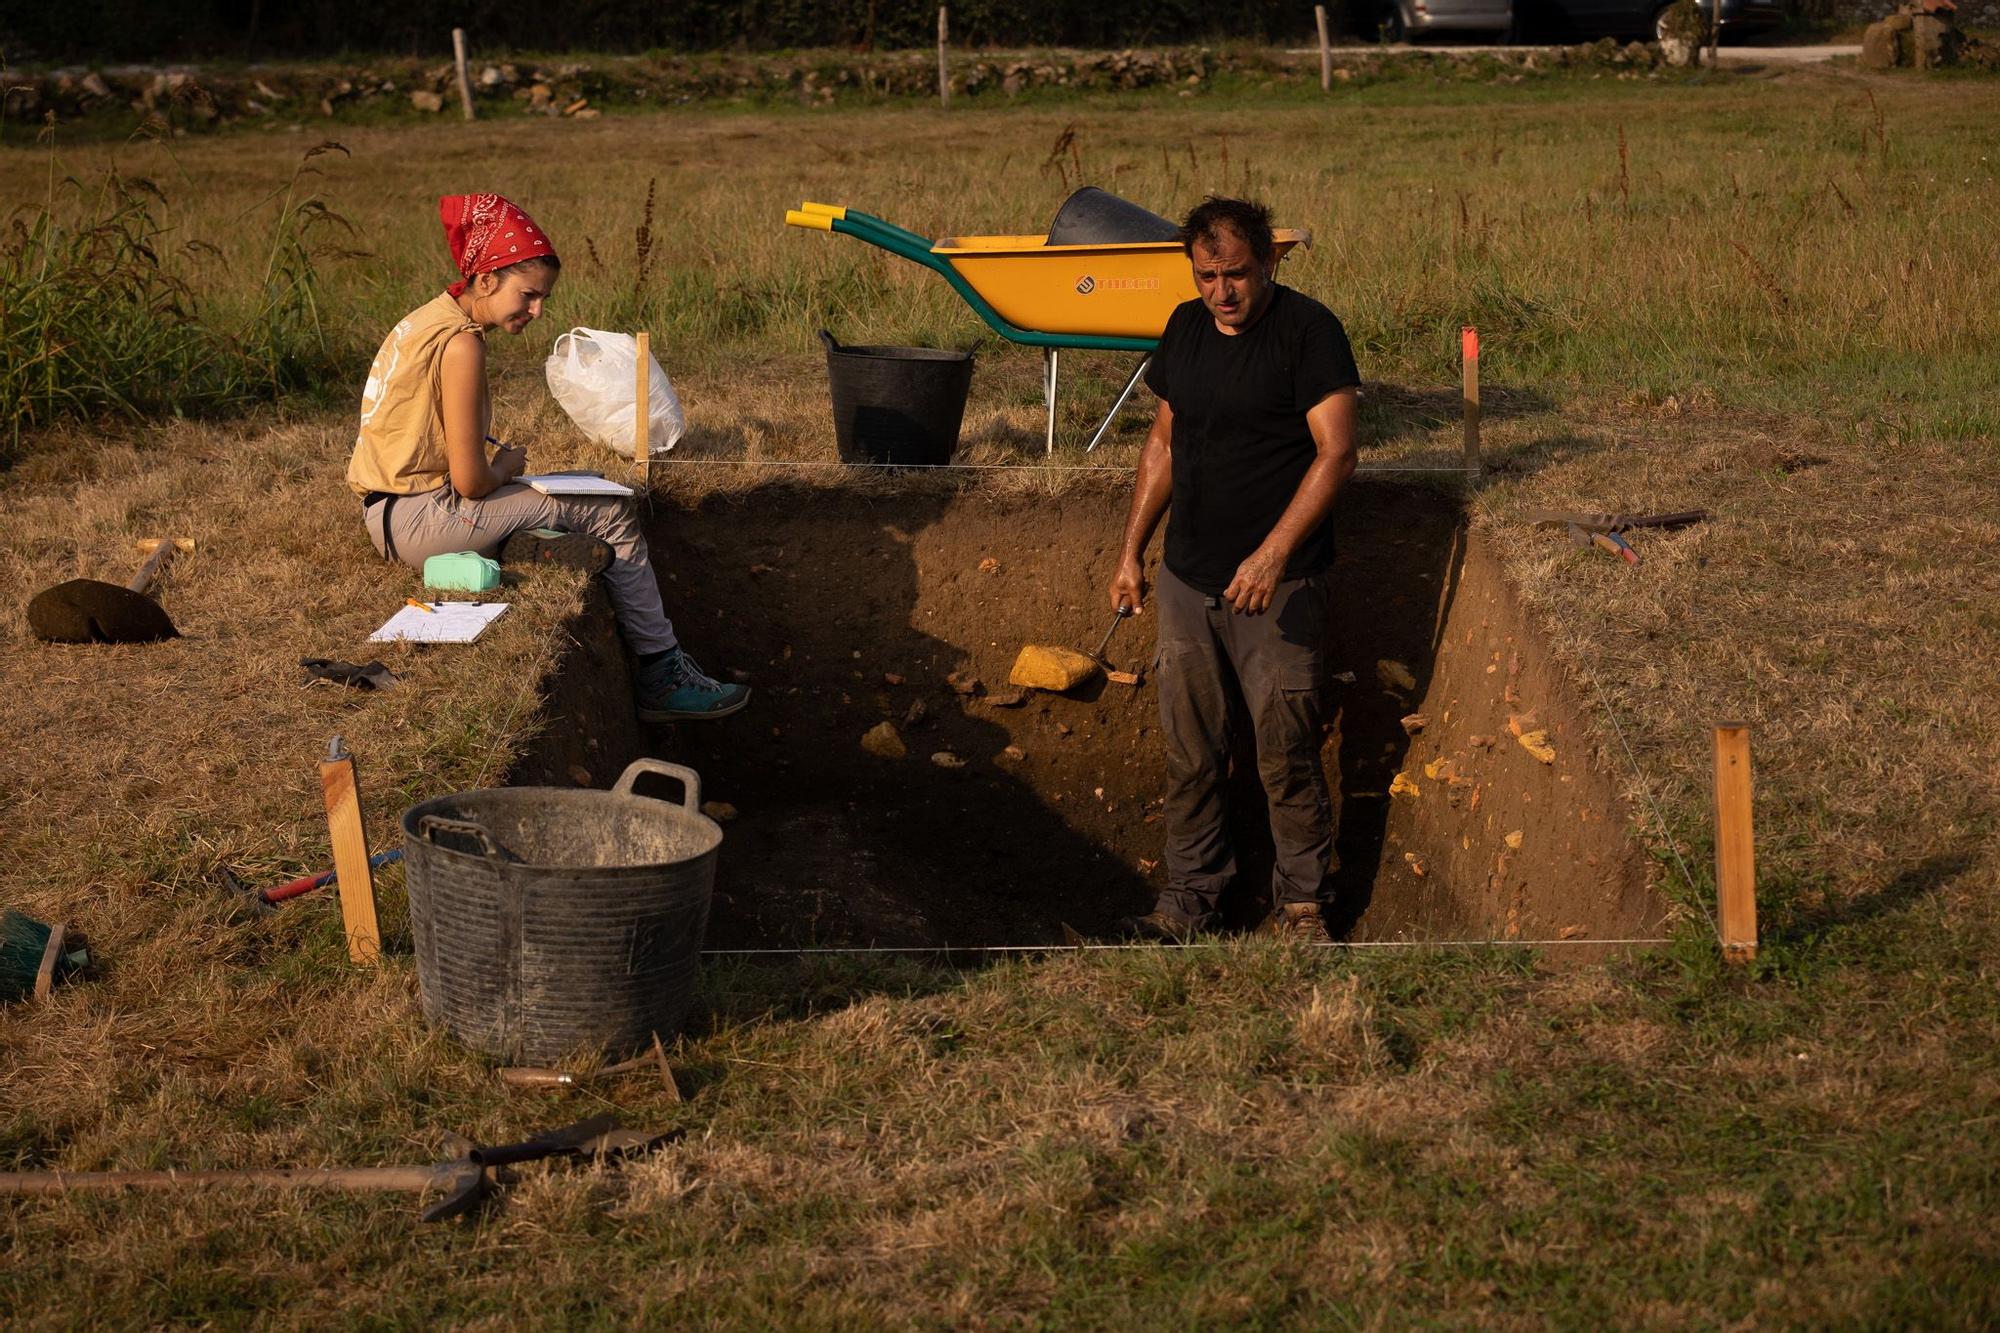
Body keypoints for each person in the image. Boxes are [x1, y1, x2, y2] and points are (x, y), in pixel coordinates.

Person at [347, 193, 747, 722]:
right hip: (422, 520)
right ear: (486, 280)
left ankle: (527, 545)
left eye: (542, 299)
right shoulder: (463, 345)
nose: (537, 311)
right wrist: (507, 468)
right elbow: (471, 482)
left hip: (391, 514)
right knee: (607, 509)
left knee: (575, 486)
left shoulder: (426, 321)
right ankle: (661, 671)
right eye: (529, 295)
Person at [1108, 196, 1361, 943]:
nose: (1222, 291)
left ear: (1271, 261)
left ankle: (1305, 906)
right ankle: (1189, 898)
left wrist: (1274, 552)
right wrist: (1131, 553)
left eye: (1238, 274)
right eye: (1207, 274)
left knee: (1285, 751)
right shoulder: (1185, 329)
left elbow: (1337, 452)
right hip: (1189, 583)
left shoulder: (1309, 332)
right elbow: (1163, 444)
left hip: (1279, 590)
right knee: (1190, 751)